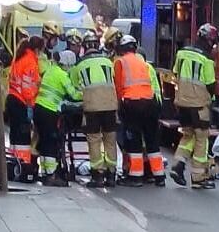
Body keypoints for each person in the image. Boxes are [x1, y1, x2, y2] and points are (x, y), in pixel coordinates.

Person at [169, 23, 219, 189]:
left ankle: (178, 165)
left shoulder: (182, 53)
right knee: (201, 139)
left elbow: (175, 73)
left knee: (188, 135)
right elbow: (211, 85)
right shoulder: (207, 59)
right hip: (199, 105)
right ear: (208, 41)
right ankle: (198, 177)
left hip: (182, 103)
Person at [113, 34, 165, 186]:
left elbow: (118, 88)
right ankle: (159, 176)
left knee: (133, 140)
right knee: (151, 141)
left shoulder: (120, 62)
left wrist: (118, 109)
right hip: (150, 103)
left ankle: (135, 176)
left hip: (132, 104)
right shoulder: (143, 62)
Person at [72, 30, 119, 188]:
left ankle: (97, 175)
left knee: (94, 140)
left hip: (92, 107)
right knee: (110, 140)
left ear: (84, 47)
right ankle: (111, 174)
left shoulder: (80, 65)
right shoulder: (107, 61)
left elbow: (74, 87)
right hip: (110, 106)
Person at [33, 48, 81, 186]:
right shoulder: (62, 75)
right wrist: (86, 94)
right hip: (49, 111)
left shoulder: (50, 70)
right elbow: (74, 95)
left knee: (43, 141)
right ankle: (51, 175)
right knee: (51, 143)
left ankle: (45, 172)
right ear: (68, 64)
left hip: (39, 108)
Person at [5, 36, 42, 182]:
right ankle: (24, 167)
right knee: (23, 139)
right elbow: (27, 87)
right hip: (22, 102)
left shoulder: (19, 57)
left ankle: (15, 164)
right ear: (37, 49)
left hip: (12, 99)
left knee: (15, 137)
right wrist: (30, 104)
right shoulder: (30, 62)